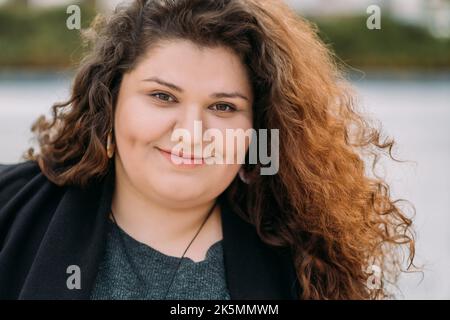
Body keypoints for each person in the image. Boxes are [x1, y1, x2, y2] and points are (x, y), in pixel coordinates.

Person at [0, 0, 415, 300]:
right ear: (110, 103)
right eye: (163, 97)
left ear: (259, 130)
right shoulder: (10, 209)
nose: (192, 131)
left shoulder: (310, 272)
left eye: (223, 107)